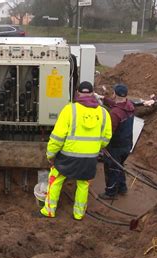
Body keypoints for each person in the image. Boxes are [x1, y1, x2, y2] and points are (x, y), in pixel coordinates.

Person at [40, 81, 112, 220]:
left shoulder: (69, 110)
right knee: (83, 184)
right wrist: (94, 148)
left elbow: (57, 137)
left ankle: (49, 210)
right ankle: (79, 214)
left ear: (77, 93)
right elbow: (106, 137)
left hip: (67, 157)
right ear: (92, 94)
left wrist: (51, 154)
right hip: (90, 158)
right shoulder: (103, 113)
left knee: (55, 179)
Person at [98, 84, 135, 200]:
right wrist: (102, 98)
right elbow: (117, 105)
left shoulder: (114, 114)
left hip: (115, 147)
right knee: (119, 166)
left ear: (114, 94)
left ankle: (110, 192)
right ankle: (122, 188)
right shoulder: (129, 105)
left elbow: (110, 133)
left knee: (111, 168)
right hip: (127, 144)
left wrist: (102, 146)